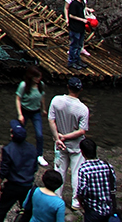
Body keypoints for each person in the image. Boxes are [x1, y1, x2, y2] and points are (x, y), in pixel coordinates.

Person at [50, 77, 90, 207]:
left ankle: (56, 197)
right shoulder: (83, 109)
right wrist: (66, 137)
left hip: (59, 144)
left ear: (68, 87)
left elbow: (51, 120)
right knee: (76, 173)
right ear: (81, 90)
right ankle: (76, 201)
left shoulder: (56, 100)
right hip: (76, 146)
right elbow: (82, 130)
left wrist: (58, 138)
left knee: (59, 170)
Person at [76, 138, 117, 222]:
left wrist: (81, 204)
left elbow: (81, 192)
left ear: (82, 152)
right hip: (109, 209)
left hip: (93, 210)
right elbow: (114, 186)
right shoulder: (108, 166)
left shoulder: (84, 169)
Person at [18, 68, 49, 166]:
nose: (38, 79)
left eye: (39, 77)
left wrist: (44, 109)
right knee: (19, 132)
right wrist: (20, 114)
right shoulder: (23, 85)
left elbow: (42, 97)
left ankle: (39, 155)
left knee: (39, 134)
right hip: (25, 110)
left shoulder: (41, 85)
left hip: (36, 112)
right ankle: (17, 151)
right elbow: (18, 98)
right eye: (36, 77)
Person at [67, 0, 90, 71]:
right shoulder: (74, 3)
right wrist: (82, 20)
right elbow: (71, 15)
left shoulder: (82, 3)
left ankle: (77, 59)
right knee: (74, 45)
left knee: (80, 45)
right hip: (75, 27)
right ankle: (71, 61)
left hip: (81, 27)